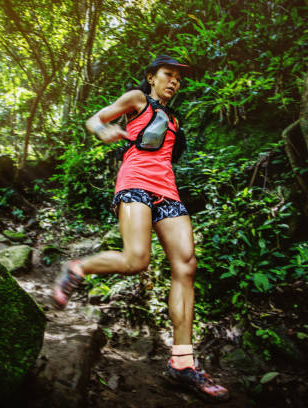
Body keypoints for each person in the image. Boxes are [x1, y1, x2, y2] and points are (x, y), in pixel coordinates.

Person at [53, 55, 229, 401]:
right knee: (136, 260)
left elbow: (165, 155)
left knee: (186, 265)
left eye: (179, 78)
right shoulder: (137, 99)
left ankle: (182, 362)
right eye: (168, 74)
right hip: (135, 183)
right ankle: (78, 268)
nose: (174, 81)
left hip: (167, 191)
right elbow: (95, 119)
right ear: (151, 77)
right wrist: (105, 132)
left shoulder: (175, 120)